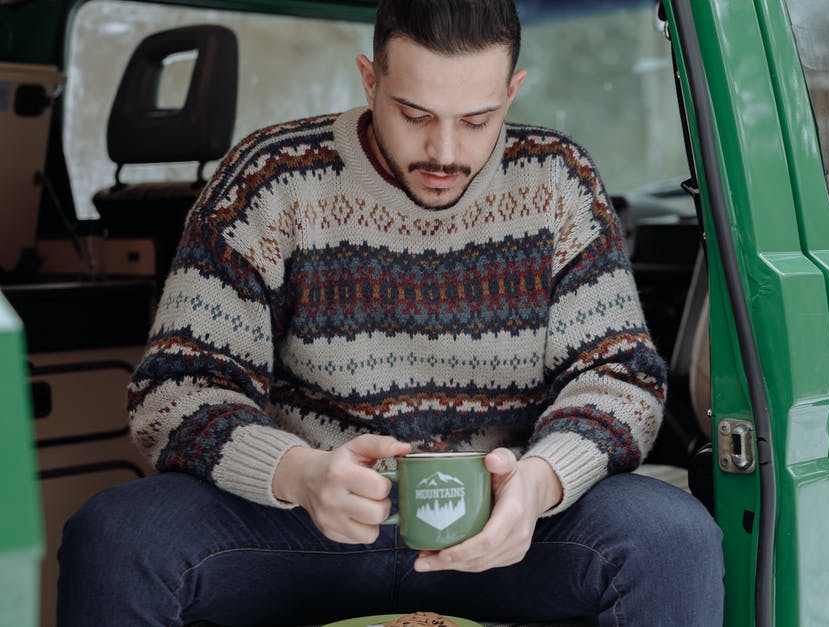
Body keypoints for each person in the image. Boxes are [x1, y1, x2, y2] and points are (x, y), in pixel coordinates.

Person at [56, 0, 723, 625]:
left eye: (476, 120)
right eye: (415, 113)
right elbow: (175, 388)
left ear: (512, 91)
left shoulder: (558, 180)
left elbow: (623, 379)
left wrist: (540, 484)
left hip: (507, 529)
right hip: (305, 523)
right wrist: (299, 474)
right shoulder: (270, 178)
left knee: (672, 536)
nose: (445, 153)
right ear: (369, 79)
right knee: (117, 535)